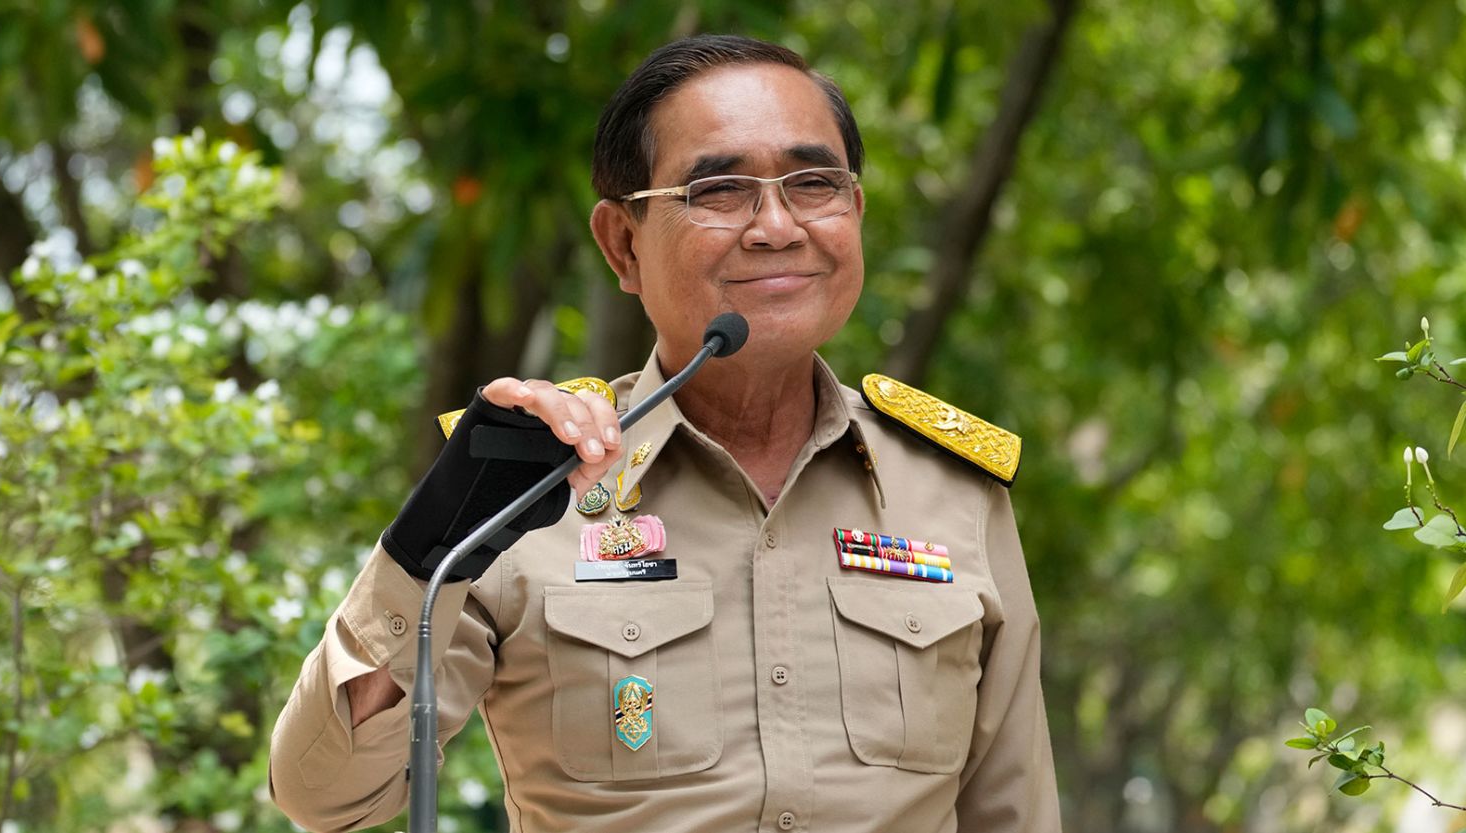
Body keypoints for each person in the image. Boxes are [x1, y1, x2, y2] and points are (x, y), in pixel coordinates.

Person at [269, 34, 1060, 833]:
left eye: (814, 182)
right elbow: (328, 797)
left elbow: (1013, 808)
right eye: (719, 191)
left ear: (854, 211)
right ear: (622, 244)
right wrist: (424, 553)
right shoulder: (534, 483)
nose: (777, 226)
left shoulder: (954, 490)